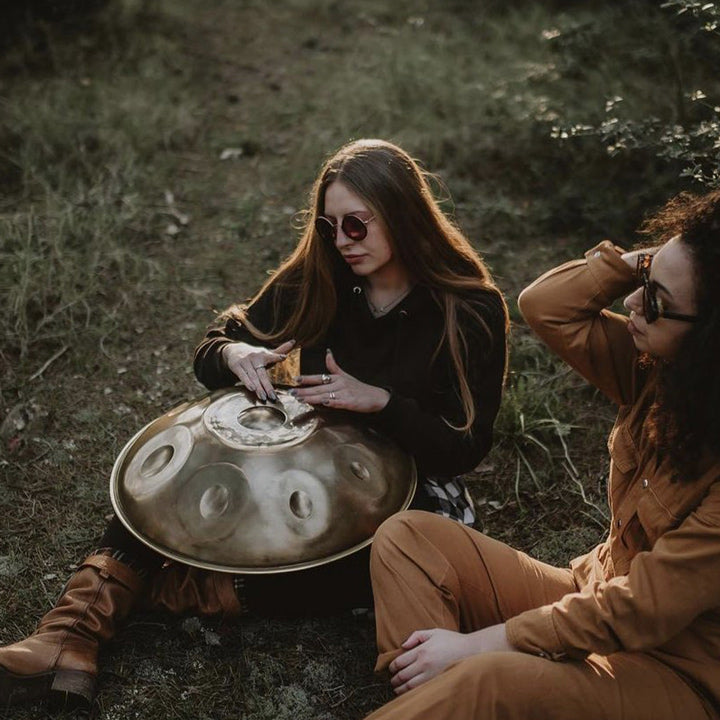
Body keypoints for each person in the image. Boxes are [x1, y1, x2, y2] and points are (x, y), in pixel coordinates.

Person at [0, 138, 508, 712]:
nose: (342, 241)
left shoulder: (468, 308)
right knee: (176, 470)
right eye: (329, 227)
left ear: (402, 214)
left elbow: (465, 447)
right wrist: (234, 354)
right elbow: (215, 344)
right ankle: (67, 637)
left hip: (413, 489)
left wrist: (382, 404)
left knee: (363, 569)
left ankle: (170, 590)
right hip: (314, 459)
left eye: (356, 225)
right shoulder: (323, 274)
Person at [361, 190, 720, 720]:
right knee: (407, 538)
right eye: (643, 282)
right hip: (588, 593)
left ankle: (456, 697)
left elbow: (641, 608)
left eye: (657, 300)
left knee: (488, 675)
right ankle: (445, 702)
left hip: (674, 673)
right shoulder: (664, 368)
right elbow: (546, 306)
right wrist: (653, 262)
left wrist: (479, 645)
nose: (632, 303)